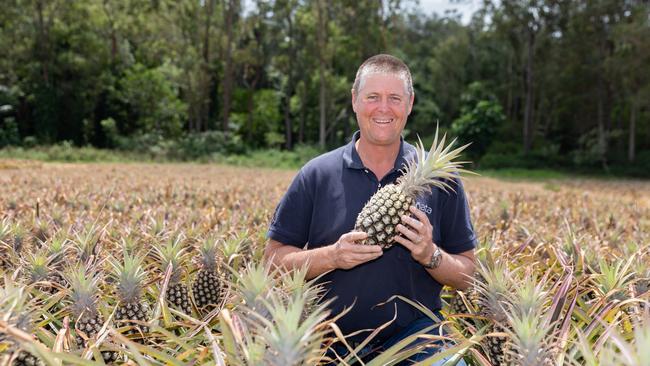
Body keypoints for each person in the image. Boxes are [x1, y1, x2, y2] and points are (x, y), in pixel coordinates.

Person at [264, 54, 476, 365]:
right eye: (372, 97)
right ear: (354, 100)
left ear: (410, 103)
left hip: (417, 337)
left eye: (394, 98)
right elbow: (272, 261)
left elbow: (469, 275)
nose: (383, 108)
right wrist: (331, 256)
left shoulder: (442, 181)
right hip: (327, 336)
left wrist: (430, 254)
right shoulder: (317, 174)